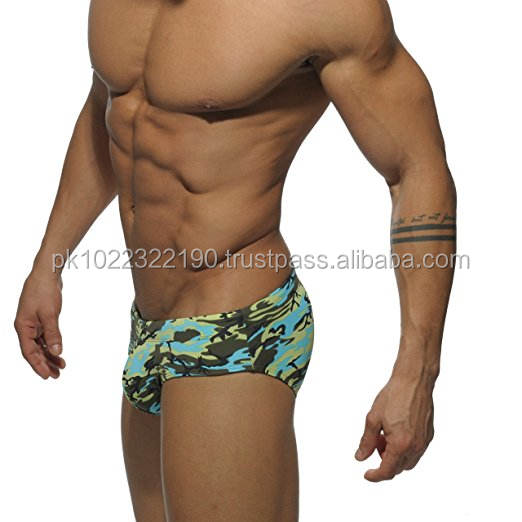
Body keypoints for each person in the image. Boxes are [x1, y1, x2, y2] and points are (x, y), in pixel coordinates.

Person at [14, 0, 456, 520]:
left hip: (238, 324)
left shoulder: (320, 7)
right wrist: (49, 261)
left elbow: (416, 169)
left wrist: (416, 372)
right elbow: (114, 109)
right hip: (149, 321)